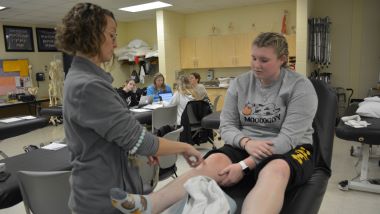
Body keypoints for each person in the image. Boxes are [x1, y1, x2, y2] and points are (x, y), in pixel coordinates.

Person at [111, 32, 318, 214]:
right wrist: (246, 143)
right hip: (247, 143)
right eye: (253, 58)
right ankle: (150, 205)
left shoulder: (300, 87)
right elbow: (227, 126)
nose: (256, 65)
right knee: (211, 163)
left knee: (275, 171)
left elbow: (288, 139)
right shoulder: (241, 83)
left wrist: (244, 165)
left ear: (282, 59)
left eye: (264, 60)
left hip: (291, 149)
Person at [56, 3, 203, 214]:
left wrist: (137, 151)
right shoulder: (88, 85)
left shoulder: (87, 79)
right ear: (93, 34)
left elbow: (116, 134)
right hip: (101, 200)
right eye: (112, 35)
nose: (115, 44)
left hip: (111, 190)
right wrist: (185, 147)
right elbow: (139, 140)